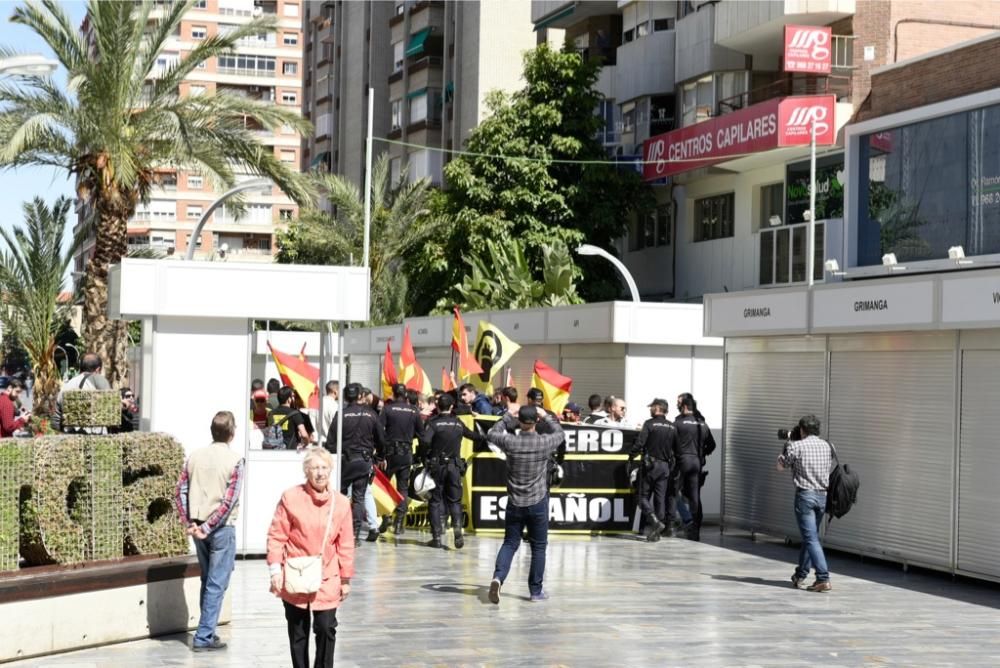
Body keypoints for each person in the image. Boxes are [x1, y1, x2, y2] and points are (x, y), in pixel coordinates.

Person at [267, 447, 355, 668]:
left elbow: (345, 544)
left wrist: (345, 579)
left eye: (324, 467)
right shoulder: (291, 497)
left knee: (326, 628)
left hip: (327, 576)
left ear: (330, 470)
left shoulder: (341, 503)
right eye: (315, 467)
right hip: (295, 574)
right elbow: (277, 536)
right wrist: (275, 570)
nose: (320, 473)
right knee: (298, 632)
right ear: (306, 471)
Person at [174, 411, 245, 652]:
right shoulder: (235, 460)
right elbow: (229, 501)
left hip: (198, 525)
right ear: (232, 433)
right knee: (217, 582)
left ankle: (208, 631)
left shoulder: (194, 456)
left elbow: (180, 491)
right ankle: (204, 636)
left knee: (208, 579)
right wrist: (206, 527)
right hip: (220, 529)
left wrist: (190, 523)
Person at [485, 404, 565, 604]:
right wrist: (546, 415)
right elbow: (560, 433)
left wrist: (505, 417)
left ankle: (498, 578)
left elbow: (492, 434)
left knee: (510, 543)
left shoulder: (511, 442)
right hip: (538, 500)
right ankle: (535, 591)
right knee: (538, 547)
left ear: (519, 421)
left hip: (515, 501)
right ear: (535, 421)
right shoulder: (544, 442)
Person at [417, 394, 483, 549]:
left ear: (438, 406)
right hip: (454, 467)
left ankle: (436, 538)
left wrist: (424, 457)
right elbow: (475, 437)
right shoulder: (458, 423)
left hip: (437, 467)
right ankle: (457, 529)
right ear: (452, 407)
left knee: (435, 501)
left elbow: (425, 441)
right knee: (454, 501)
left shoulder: (433, 424)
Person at [777, 415, 834, 593]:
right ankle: (800, 574)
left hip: (805, 497)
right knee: (811, 538)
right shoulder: (828, 446)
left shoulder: (796, 446)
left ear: (802, 430)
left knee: (810, 539)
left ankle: (823, 578)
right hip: (822, 497)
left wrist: (786, 446)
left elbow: (780, 466)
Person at [327, 383, 385, 546]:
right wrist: (380, 456)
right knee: (359, 497)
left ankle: (339, 531)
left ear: (345, 397)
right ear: (360, 396)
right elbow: (381, 439)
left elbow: (331, 441)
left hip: (345, 461)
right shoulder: (371, 414)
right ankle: (355, 534)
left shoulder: (341, 414)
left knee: (340, 497)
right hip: (363, 461)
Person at [377, 383, 424, 535]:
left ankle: (385, 517)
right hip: (406, 452)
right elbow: (421, 433)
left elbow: (379, 431)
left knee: (384, 486)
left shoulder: (388, 409)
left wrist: (380, 454)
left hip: (389, 453)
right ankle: (399, 523)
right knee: (402, 488)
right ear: (405, 395)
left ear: (394, 393)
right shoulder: (414, 411)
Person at [629, 399, 677, 542]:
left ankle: (654, 521)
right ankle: (657, 532)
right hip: (665, 467)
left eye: (651, 407)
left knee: (641, 496)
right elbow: (677, 449)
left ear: (657, 408)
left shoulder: (649, 424)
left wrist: (631, 455)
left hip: (650, 466)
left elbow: (640, 443)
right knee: (660, 499)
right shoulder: (672, 427)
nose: (650, 409)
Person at [671, 393, 714, 541]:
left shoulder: (678, 423)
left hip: (681, 462)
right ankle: (695, 528)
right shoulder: (702, 423)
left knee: (672, 492)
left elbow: (670, 443)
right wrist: (701, 453)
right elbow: (712, 445)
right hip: (696, 463)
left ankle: (674, 524)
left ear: (684, 406)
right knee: (695, 497)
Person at [55, 353, 110, 431]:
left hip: (71, 438)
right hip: (97, 438)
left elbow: (57, 417)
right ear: (98, 370)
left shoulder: (66, 386)